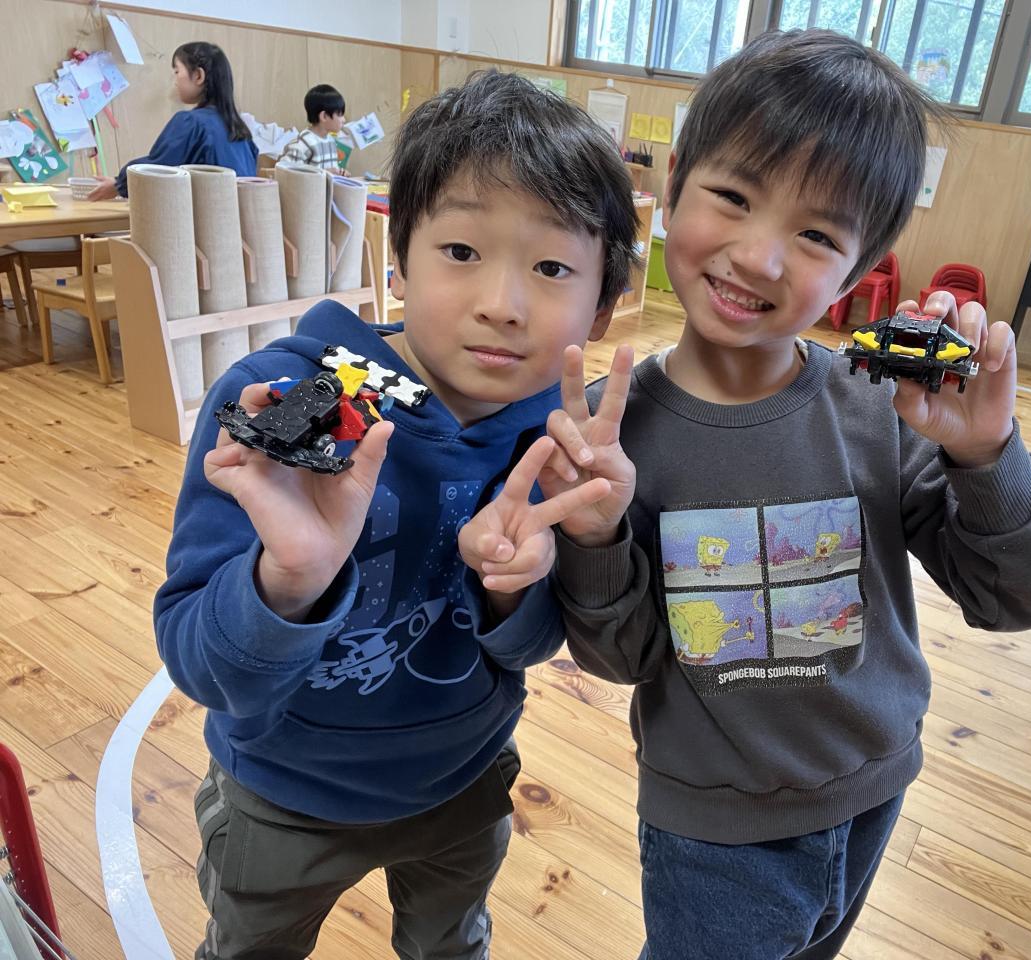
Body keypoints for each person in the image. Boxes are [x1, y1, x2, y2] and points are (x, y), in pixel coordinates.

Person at [543, 30, 1031, 960]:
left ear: (859, 269)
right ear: (675, 185)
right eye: (734, 196)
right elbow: (620, 659)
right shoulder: (613, 436)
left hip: (875, 789)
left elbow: (1013, 598)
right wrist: (594, 534)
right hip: (713, 834)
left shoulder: (879, 410)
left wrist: (986, 454)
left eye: (817, 235)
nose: (760, 257)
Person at [153, 69, 637, 959]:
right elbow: (198, 663)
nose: (502, 303)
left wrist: (511, 588)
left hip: (464, 784)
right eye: (460, 250)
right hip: (281, 797)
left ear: (603, 305)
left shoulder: (561, 441)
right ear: (399, 260)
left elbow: (531, 649)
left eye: (552, 267)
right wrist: (286, 583)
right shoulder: (288, 401)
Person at [86, 42, 257, 200]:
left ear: (198, 76)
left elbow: (157, 169)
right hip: (236, 221)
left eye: (177, 72)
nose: (175, 81)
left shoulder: (191, 122)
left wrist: (119, 184)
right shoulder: (242, 132)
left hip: (200, 220)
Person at [281, 83, 348, 171]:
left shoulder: (331, 141)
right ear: (324, 116)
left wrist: (340, 173)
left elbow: (331, 172)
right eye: (340, 115)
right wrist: (325, 173)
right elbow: (286, 170)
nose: (344, 120)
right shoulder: (304, 142)